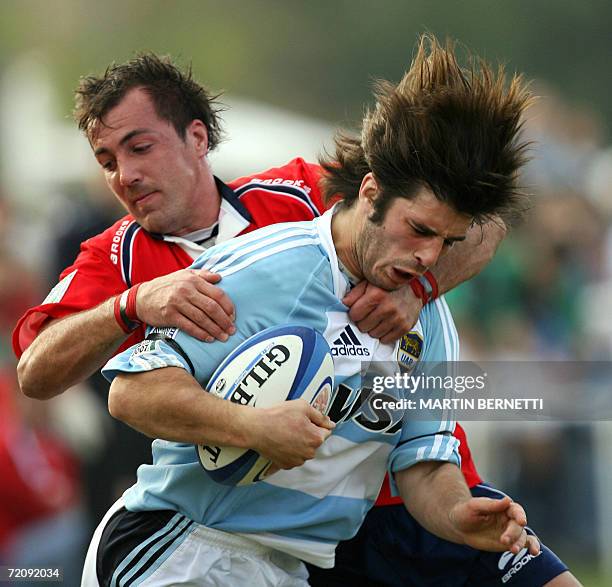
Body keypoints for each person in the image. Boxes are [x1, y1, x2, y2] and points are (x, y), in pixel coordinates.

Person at [13, 42, 578, 585]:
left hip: (394, 496)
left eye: (140, 148)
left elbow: (471, 219)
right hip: (255, 529)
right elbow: (36, 372)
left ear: (197, 136)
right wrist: (131, 304)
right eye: (106, 161)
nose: (123, 175)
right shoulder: (119, 260)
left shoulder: (303, 194)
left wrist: (418, 287)